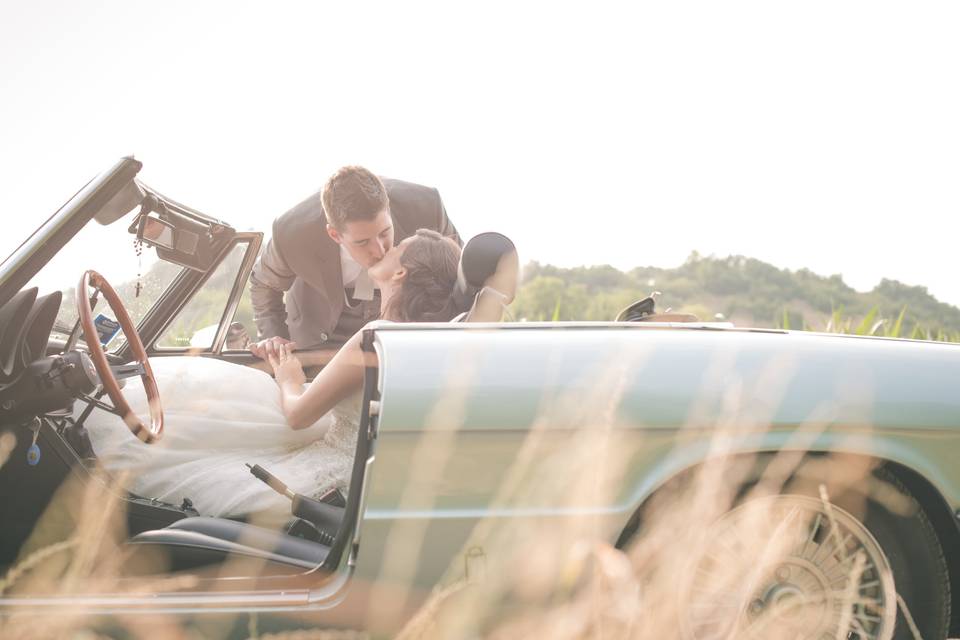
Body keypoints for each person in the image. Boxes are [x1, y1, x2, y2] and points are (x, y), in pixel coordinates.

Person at [85, 230, 464, 519]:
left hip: (327, 480)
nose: (384, 248)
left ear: (400, 271)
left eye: (395, 248)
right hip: (351, 475)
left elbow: (298, 415)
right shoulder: (416, 343)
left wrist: (288, 376)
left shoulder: (375, 337)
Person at [249, 166, 461, 355]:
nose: (379, 250)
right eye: (362, 242)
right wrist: (275, 341)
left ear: (387, 209)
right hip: (316, 344)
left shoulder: (426, 206)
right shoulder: (292, 232)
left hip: (402, 344)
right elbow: (263, 284)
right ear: (334, 234)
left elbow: (460, 273)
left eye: (385, 232)